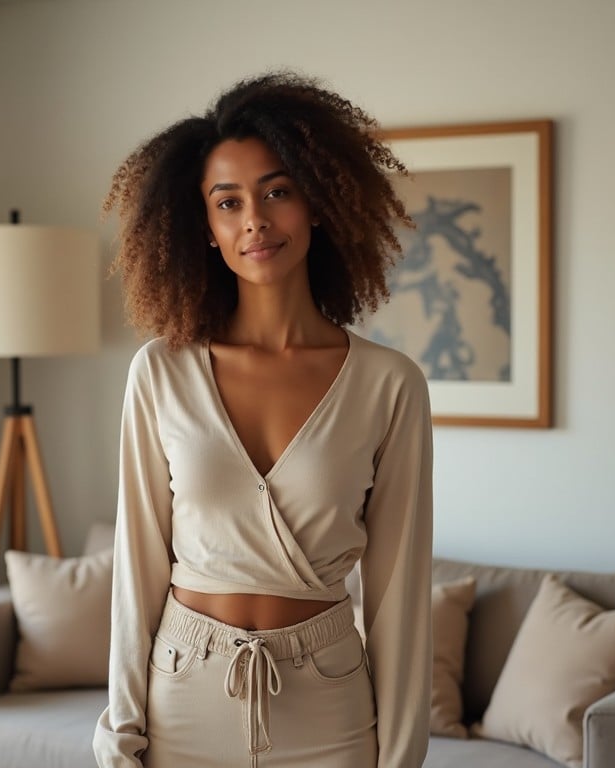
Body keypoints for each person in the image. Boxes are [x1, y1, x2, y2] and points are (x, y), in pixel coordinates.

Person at [93, 71, 433, 768]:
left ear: (316, 203)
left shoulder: (388, 384)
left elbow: (399, 594)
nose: (255, 219)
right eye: (228, 202)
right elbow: (137, 567)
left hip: (329, 705)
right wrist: (121, 733)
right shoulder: (160, 372)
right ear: (207, 230)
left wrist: (400, 757)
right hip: (183, 697)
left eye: (276, 191)